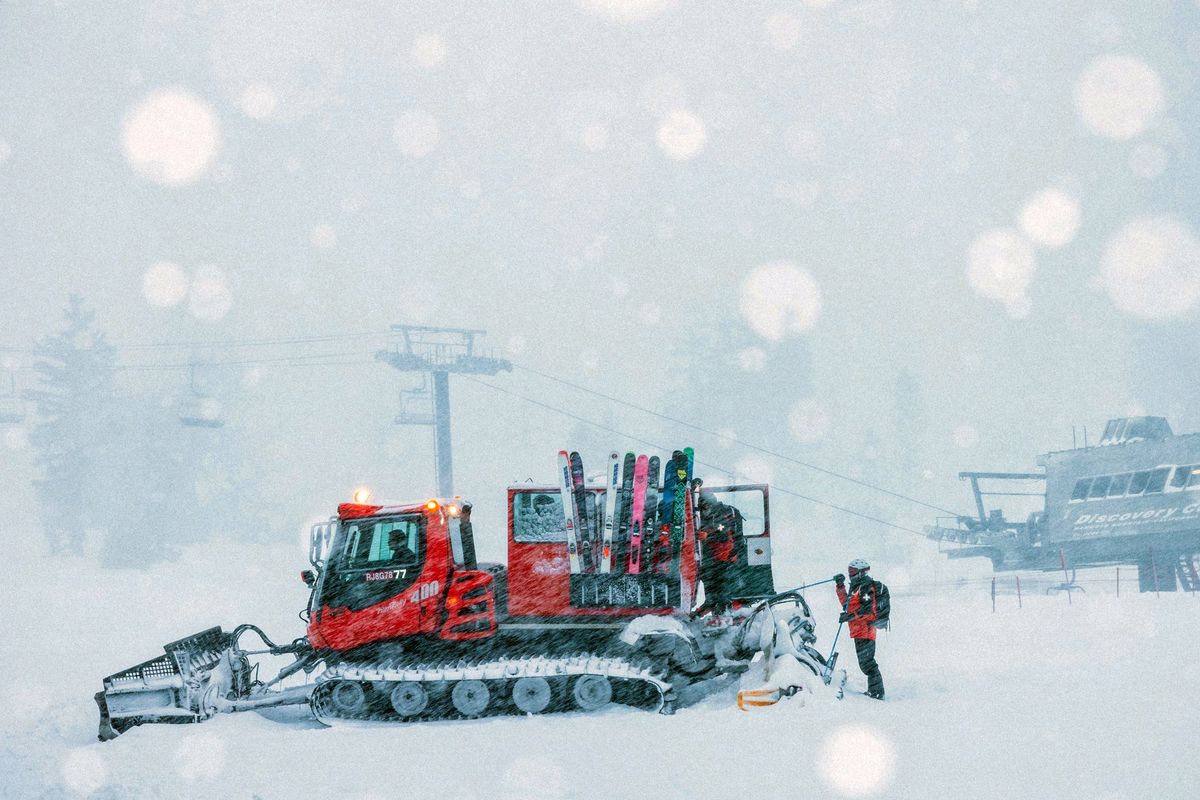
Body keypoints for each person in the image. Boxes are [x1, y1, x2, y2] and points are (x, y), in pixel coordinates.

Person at [835, 558, 885, 699]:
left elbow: (870, 612)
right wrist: (840, 586)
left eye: (853, 571)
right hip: (858, 630)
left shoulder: (866, 587)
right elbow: (847, 604)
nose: (850, 574)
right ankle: (875, 691)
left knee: (867, 664)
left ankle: (877, 693)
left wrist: (850, 617)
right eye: (849, 571)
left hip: (866, 630)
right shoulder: (856, 586)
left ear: (861, 572)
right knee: (865, 664)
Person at [697, 489, 746, 609]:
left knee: (725, 587)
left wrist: (707, 535)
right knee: (711, 584)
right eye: (702, 506)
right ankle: (713, 606)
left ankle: (729, 612)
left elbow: (723, 532)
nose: (704, 509)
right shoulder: (704, 516)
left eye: (706, 505)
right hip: (713, 559)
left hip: (726, 558)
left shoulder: (722, 514)